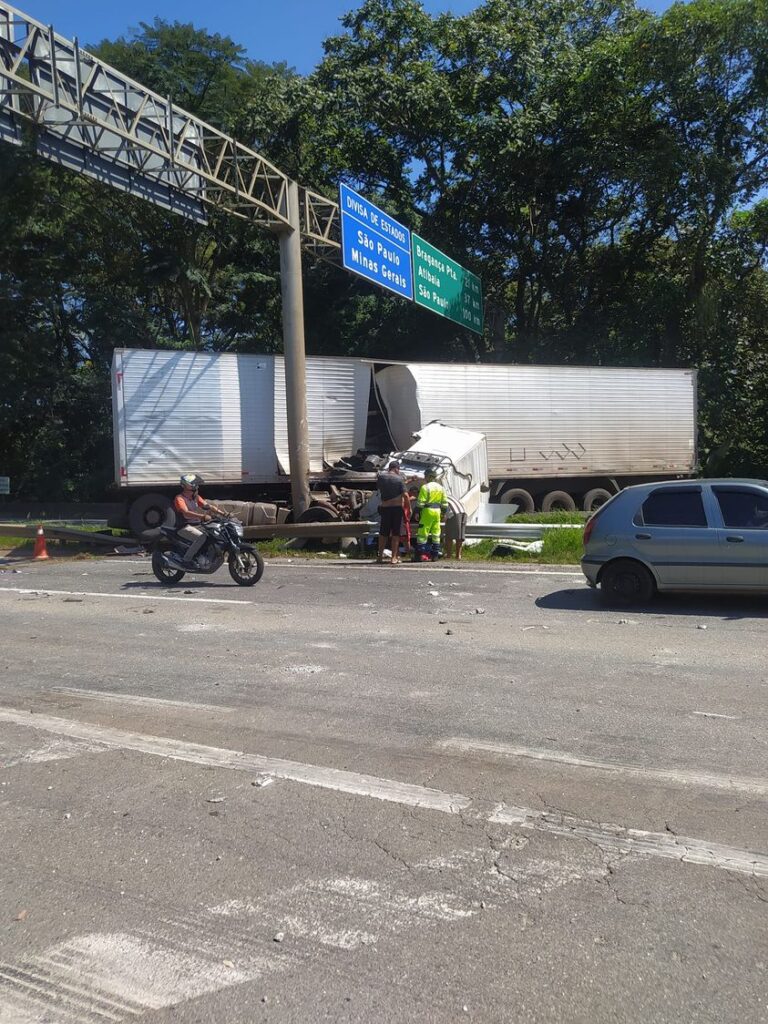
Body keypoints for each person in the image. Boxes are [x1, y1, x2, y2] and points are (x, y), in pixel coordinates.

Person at [173, 473, 227, 566]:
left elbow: (208, 506)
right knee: (202, 537)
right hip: (184, 526)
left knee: (213, 534)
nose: (197, 486)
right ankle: (186, 560)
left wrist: (223, 513)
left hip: (197, 525)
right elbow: (186, 513)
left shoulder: (195, 497)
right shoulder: (179, 498)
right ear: (189, 485)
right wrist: (202, 517)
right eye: (195, 484)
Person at [415, 467, 448, 561]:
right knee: (436, 534)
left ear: (429, 476)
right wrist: (443, 514)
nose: (424, 478)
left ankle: (420, 555)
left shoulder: (425, 487)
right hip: (437, 511)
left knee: (422, 533)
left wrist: (417, 512)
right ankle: (435, 555)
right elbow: (445, 503)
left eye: (425, 476)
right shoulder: (441, 488)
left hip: (427, 511)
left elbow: (420, 502)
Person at [376, 460, 406, 564]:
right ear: (397, 468)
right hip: (397, 509)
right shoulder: (400, 478)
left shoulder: (381, 477)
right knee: (395, 533)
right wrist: (409, 508)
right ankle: (393, 557)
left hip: (385, 508)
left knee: (383, 533)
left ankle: (379, 556)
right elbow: (404, 494)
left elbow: (380, 489)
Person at [443, 496, 467, 560]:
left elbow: (446, 511)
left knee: (449, 536)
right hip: (463, 512)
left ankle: (448, 555)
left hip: (454, 514)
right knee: (459, 536)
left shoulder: (440, 498)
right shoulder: (449, 496)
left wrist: (445, 518)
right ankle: (458, 555)